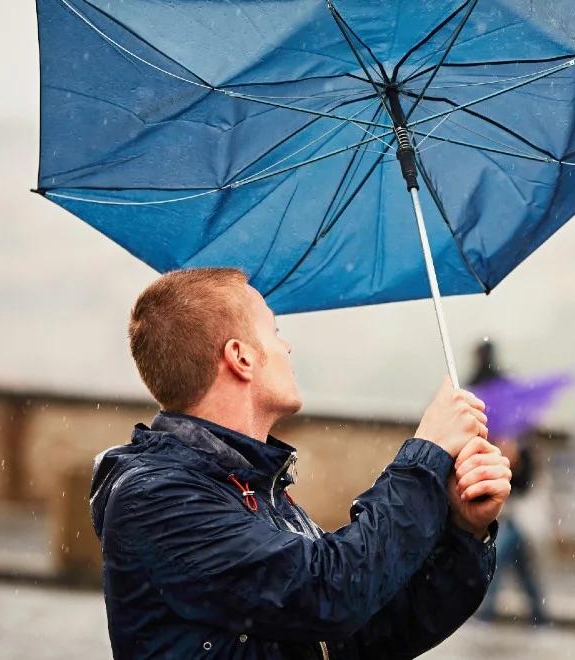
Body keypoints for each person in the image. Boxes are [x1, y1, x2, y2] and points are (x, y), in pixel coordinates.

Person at [90, 269, 511, 660]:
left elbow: (365, 634)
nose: (286, 345)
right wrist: (428, 452)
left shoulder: (252, 486)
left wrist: (463, 531)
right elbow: (331, 591)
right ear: (241, 357)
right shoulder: (156, 496)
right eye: (274, 330)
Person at [469, 339, 548, 625]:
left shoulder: (515, 443)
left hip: (514, 511)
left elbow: (524, 481)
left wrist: (512, 461)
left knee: (500, 558)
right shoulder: (507, 420)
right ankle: (539, 616)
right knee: (519, 563)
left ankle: (488, 611)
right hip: (511, 511)